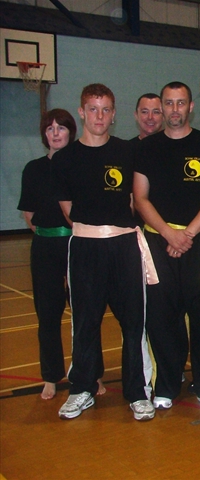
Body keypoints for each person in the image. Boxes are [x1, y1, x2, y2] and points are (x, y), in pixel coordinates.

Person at [53, 83, 155, 421]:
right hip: (84, 247)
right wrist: (95, 232)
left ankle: (138, 393)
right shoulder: (65, 158)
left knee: (133, 322)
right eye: (93, 109)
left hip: (124, 246)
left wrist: (115, 231)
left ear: (113, 115)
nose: (100, 115)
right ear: (82, 112)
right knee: (85, 321)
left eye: (106, 109)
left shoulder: (128, 152)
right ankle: (82, 388)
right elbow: (68, 208)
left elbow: (133, 199)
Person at [134, 81, 200, 411]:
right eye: (168, 104)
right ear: (161, 107)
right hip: (157, 242)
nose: (174, 110)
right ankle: (167, 385)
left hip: (199, 241)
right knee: (160, 317)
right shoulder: (147, 147)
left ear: (190, 107)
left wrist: (186, 234)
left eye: (180, 103)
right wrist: (167, 234)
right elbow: (140, 198)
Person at [18, 109, 106, 400]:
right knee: (48, 313)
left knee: (86, 312)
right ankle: (51, 376)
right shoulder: (33, 168)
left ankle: (92, 374)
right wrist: (50, 237)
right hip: (45, 247)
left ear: (70, 131)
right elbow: (30, 215)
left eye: (61, 128)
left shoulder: (81, 163)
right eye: (50, 128)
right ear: (44, 134)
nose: (55, 133)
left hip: (78, 243)